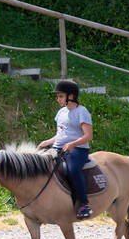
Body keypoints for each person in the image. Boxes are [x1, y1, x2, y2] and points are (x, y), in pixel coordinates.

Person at [37, 80, 94, 219]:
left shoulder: (82, 111)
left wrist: (73, 144)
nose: (58, 99)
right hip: (58, 148)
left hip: (78, 150)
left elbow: (88, 136)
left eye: (60, 96)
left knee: (73, 169)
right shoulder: (61, 112)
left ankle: (84, 204)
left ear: (71, 96)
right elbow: (60, 134)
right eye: (57, 97)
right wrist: (47, 142)